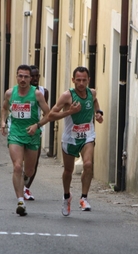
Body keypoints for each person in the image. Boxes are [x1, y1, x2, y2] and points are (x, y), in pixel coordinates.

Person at [48, 66, 104, 216]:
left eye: (84, 80)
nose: (81, 83)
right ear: (73, 80)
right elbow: (51, 115)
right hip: (70, 138)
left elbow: (95, 101)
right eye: (78, 80)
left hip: (87, 136)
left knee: (88, 164)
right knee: (68, 171)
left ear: (88, 80)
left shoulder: (91, 93)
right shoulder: (67, 96)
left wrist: (98, 113)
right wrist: (70, 112)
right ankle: (67, 196)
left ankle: (84, 198)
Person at [0, 64, 50, 216]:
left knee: (29, 170)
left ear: (30, 79)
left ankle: (25, 182)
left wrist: (37, 125)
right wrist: (3, 122)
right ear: (16, 77)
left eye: (26, 77)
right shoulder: (10, 93)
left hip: (32, 135)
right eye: (20, 76)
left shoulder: (37, 95)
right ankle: (20, 201)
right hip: (15, 133)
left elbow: (49, 114)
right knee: (17, 167)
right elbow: (4, 108)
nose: (23, 79)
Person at [23, 65, 49, 201]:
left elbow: (46, 112)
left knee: (34, 161)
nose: (34, 78)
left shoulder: (43, 92)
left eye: (36, 76)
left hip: (35, 129)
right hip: (19, 128)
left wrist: (38, 125)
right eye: (31, 76)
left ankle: (26, 187)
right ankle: (21, 184)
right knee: (21, 161)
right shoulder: (19, 91)